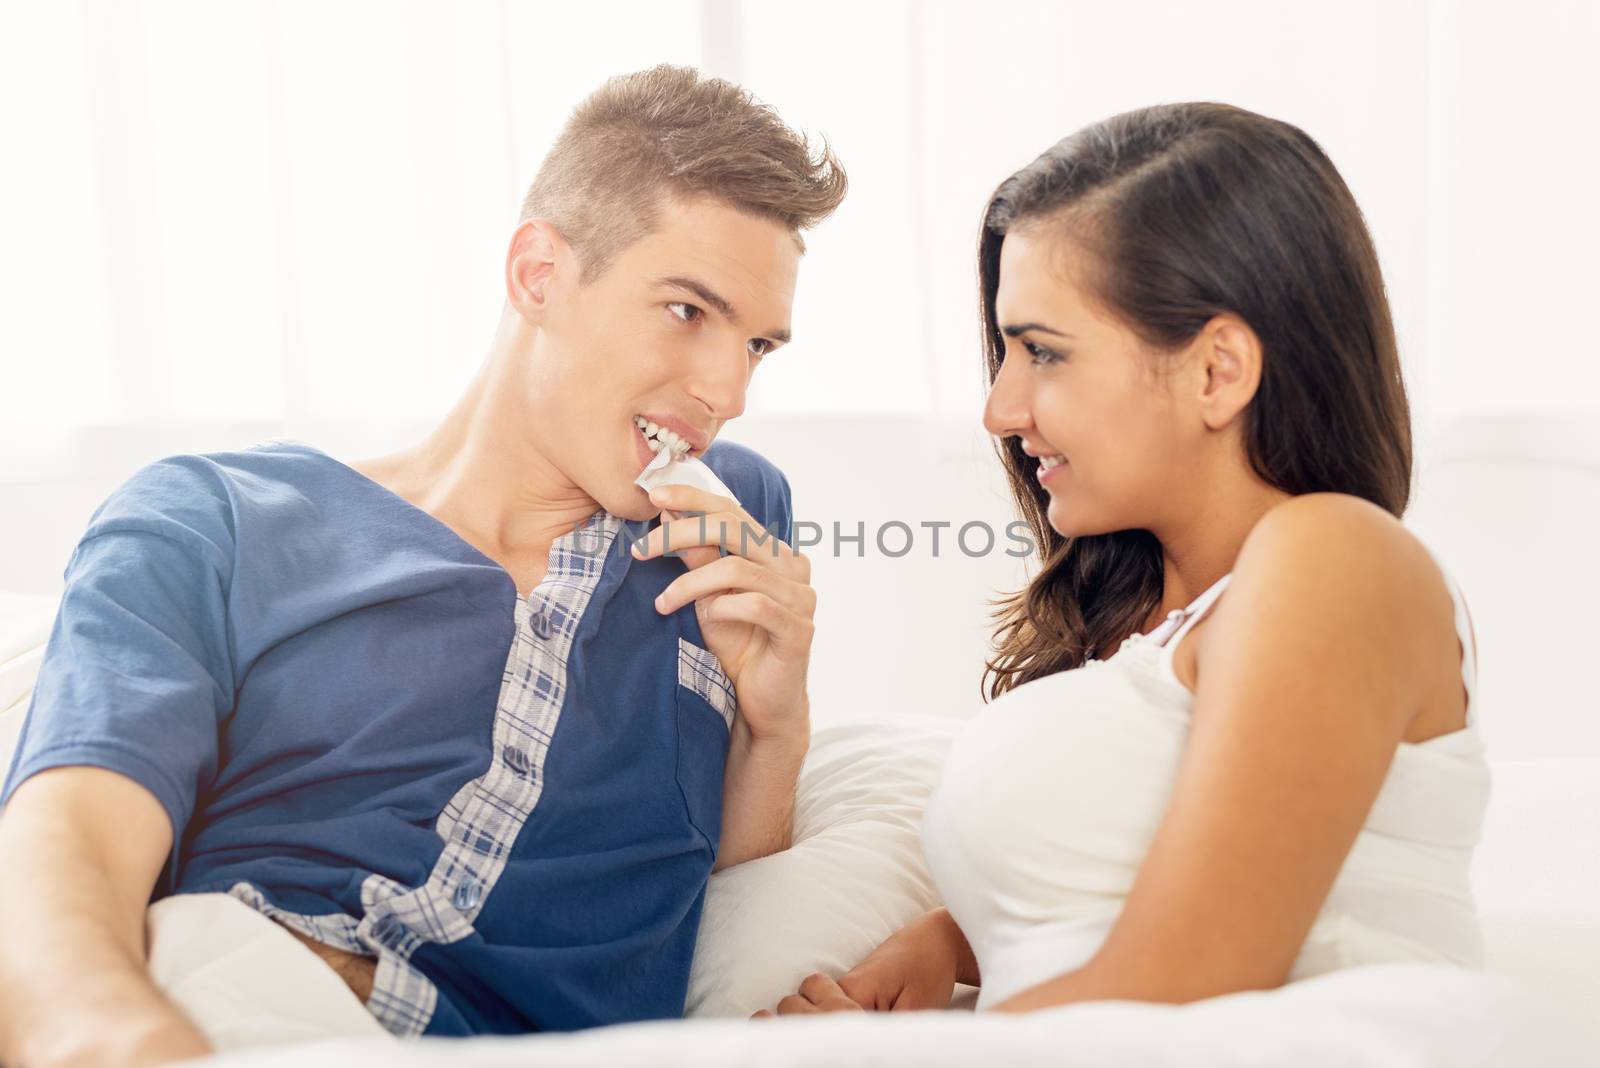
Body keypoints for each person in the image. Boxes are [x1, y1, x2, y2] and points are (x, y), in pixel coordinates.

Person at [0, 64, 843, 1065]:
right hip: (226, 1006)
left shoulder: (731, 527)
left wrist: (774, 728)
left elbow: (715, 905)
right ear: (539, 274)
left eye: (757, 345)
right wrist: (109, 1039)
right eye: (686, 312)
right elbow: (65, 850)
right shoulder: (213, 520)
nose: (725, 389)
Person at [760, 102, 1486, 1018]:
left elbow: (1190, 982)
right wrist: (955, 939)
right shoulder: (1142, 620)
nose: (1001, 409)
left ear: (1217, 371)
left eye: (1044, 353)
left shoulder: (1337, 558)